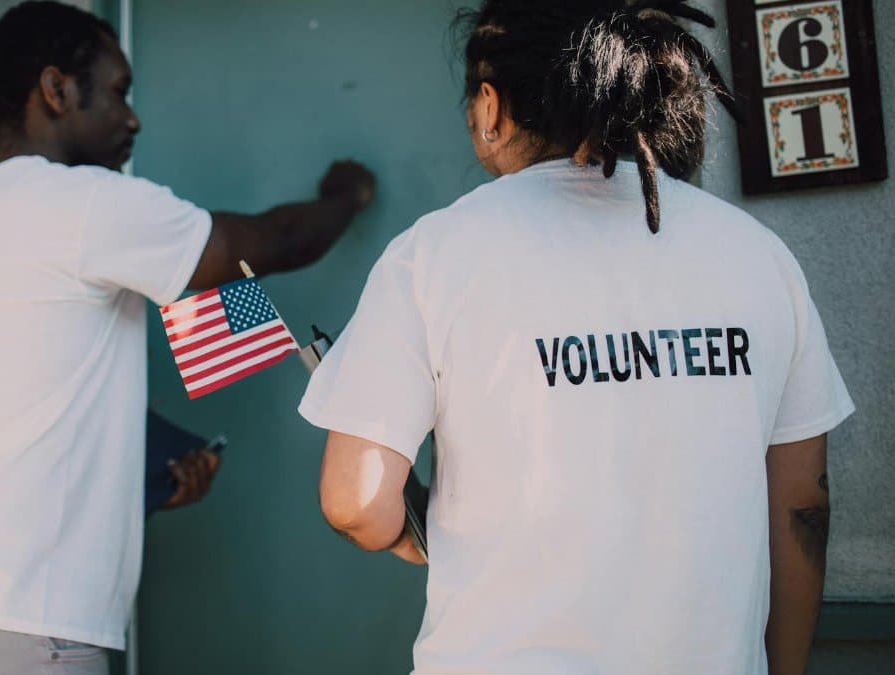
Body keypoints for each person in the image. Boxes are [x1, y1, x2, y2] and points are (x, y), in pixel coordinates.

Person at [300, 2, 852, 674]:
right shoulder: (758, 257)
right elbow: (801, 505)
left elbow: (354, 501)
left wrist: (412, 534)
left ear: (491, 108)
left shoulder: (436, 256)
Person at [0, 2, 375, 673]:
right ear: (56, 90)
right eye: (117, 91)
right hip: (17, 619)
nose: (133, 117)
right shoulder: (83, 203)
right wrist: (346, 196)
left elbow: (21, 394)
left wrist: (139, 473)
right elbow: (274, 242)